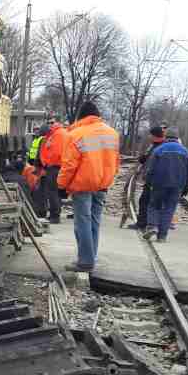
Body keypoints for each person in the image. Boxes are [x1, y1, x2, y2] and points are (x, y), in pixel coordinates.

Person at [58, 101, 120, 272]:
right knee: (94, 221)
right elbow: (116, 162)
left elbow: (69, 165)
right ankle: (91, 256)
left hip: (82, 185)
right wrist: (108, 179)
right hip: (102, 185)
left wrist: (61, 185)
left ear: (81, 116)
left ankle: (85, 261)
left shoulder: (76, 134)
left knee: (82, 222)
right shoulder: (112, 134)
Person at [143, 127, 188, 243]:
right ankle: (162, 236)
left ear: (166, 137)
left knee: (154, 205)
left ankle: (152, 226)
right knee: (169, 209)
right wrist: (186, 187)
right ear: (177, 138)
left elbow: (151, 169)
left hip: (159, 184)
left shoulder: (159, 150)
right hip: (177, 185)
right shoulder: (185, 151)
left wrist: (148, 182)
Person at [129, 125, 166, 231]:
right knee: (150, 201)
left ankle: (143, 224)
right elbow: (145, 158)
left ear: (155, 136)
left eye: (151, 135)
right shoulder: (155, 145)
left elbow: (150, 161)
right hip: (155, 178)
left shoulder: (159, 147)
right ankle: (150, 224)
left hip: (154, 179)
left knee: (146, 201)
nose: (149, 136)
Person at [38, 117, 68, 223]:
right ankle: (55, 214)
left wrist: (46, 164)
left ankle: (55, 216)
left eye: (51, 123)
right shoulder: (55, 134)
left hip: (54, 167)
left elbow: (55, 153)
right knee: (55, 192)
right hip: (55, 166)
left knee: (53, 192)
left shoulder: (57, 134)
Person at [26, 125, 49, 217]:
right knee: (40, 190)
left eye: (37, 130)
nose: (36, 132)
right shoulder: (36, 139)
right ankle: (41, 211)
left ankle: (41, 211)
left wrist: (37, 167)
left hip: (39, 167)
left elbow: (40, 154)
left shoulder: (42, 140)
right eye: (35, 130)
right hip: (35, 164)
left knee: (40, 191)